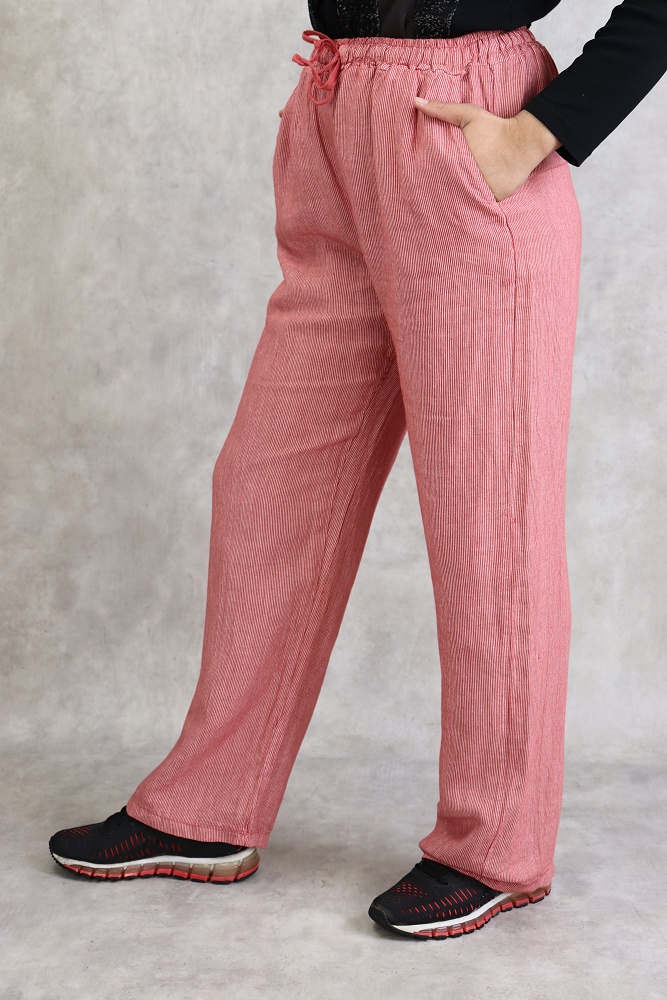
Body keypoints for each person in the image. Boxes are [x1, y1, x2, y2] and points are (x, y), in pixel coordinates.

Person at [49, 1, 666, 940]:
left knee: (487, 521)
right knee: (267, 486)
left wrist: (541, 131)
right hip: (335, 113)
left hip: (467, 125)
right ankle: (207, 808)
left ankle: (495, 846)